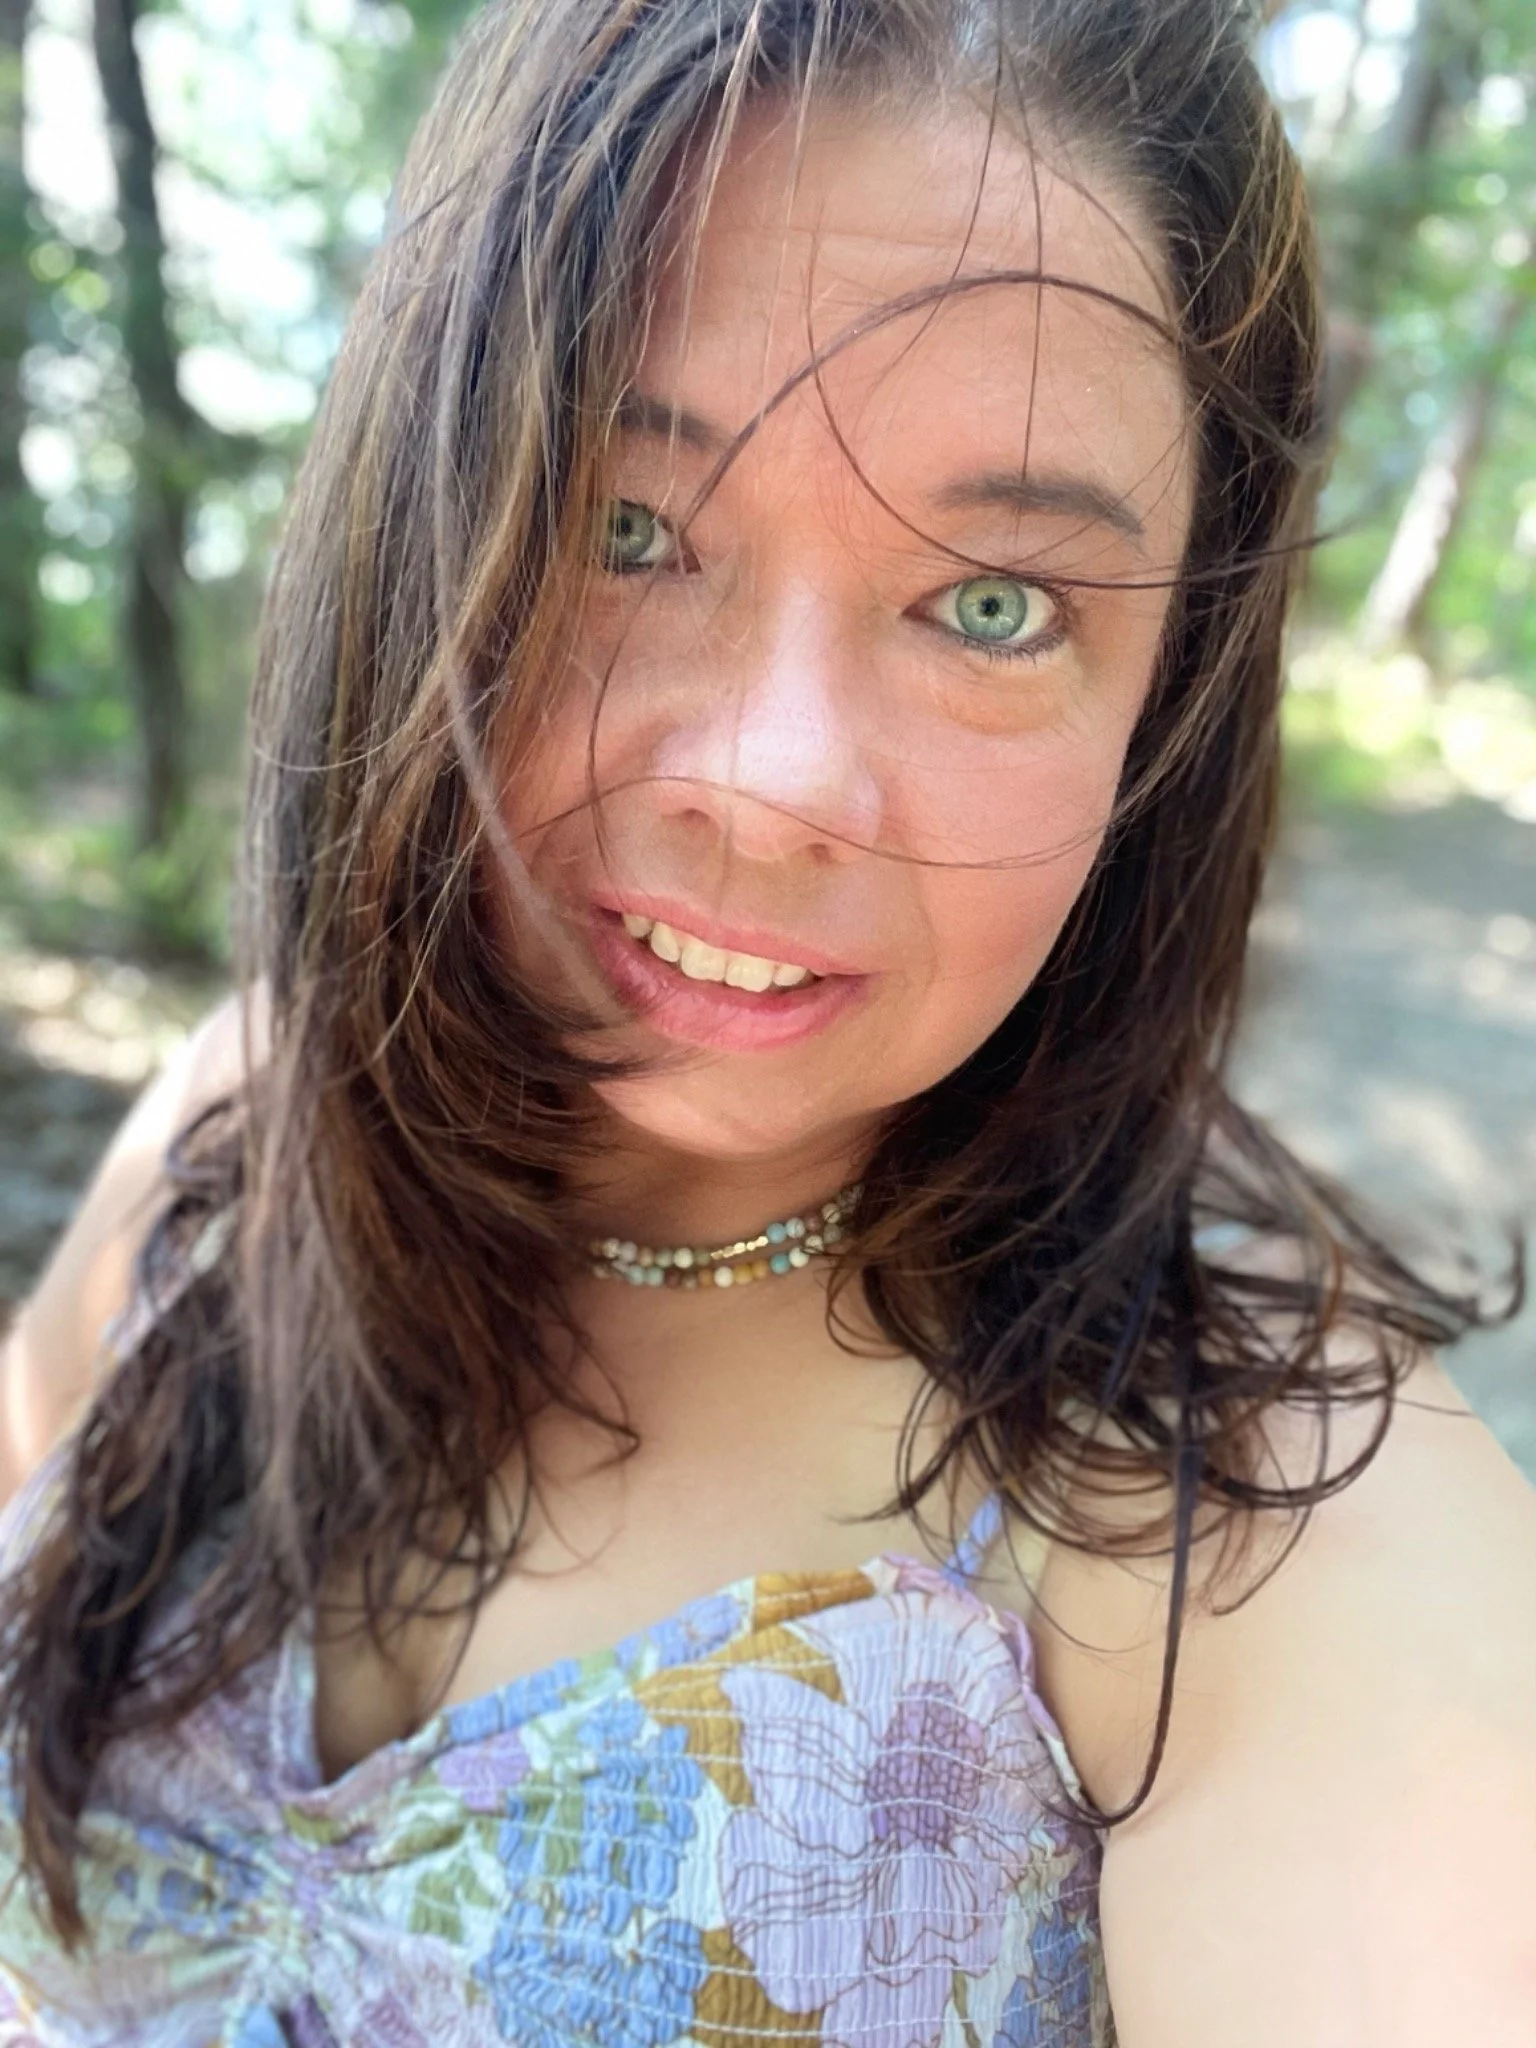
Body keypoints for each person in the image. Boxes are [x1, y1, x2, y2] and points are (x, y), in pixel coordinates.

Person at [0, 0, 1532, 2041]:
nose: (780, 777)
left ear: (1162, 703)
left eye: (995, 604)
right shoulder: (240, 1135)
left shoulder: (1254, 1531)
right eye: (629, 529)